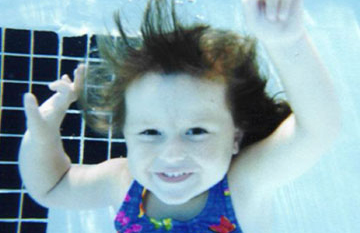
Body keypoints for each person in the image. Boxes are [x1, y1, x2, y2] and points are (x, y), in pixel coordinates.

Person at [19, 0, 340, 232]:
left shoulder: (243, 185)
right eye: (150, 133)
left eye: (197, 130)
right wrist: (43, 134)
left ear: (235, 138)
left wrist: (287, 43)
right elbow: (53, 187)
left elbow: (316, 131)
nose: (172, 153)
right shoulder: (122, 183)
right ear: (126, 134)